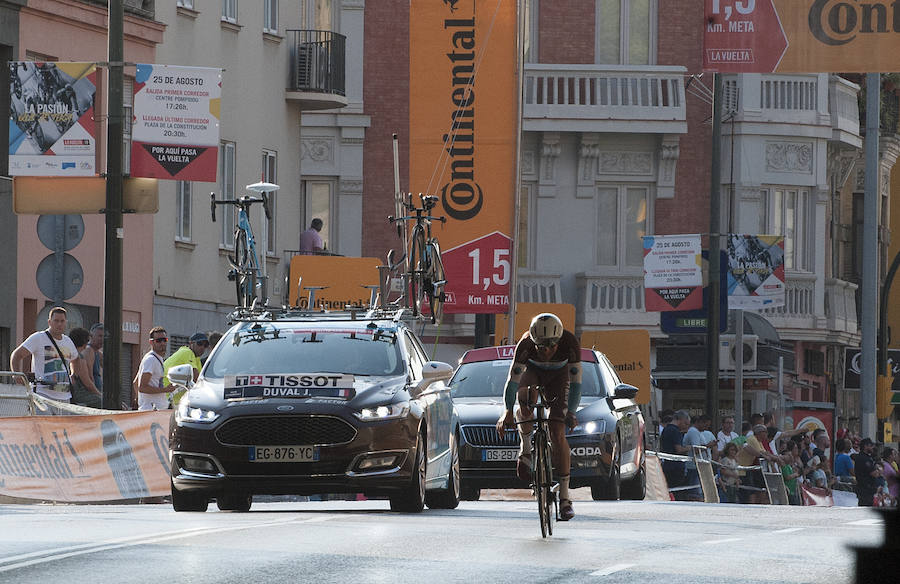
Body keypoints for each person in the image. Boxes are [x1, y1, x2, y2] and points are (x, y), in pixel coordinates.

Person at [495, 313, 582, 521]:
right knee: (524, 396)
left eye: (552, 346)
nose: (547, 351)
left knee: (557, 432)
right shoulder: (525, 345)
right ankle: (525, 449)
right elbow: (512, 381)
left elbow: (576, 383)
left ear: (559, 341)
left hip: (559, 378)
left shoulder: (570, 343)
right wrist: (507, 412)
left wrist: (571, 412)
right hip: (532, 372)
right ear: (534, 342)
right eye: (541, 347)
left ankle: (565, 498)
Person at [9, 306, 78, 402]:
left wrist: (73, 373)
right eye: (56, 321)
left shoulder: (68, 341)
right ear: (49, 322)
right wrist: (16, 375)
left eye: (62, 321)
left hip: (64, 396)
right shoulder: (38, 338)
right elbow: (17, 355)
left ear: (66, 322)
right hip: (42, 395)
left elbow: (75, 359)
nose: (59, 324)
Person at [163, 333, 209, 405]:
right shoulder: (187, 352)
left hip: (178, 400)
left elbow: (201, 379)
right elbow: (196, 378)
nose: (202, 347)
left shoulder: (196, 359)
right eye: (199, 344)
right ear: (191, 343)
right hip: (168, 399)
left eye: (205, 345)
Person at [134, 327, 169, 411]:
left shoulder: (155, 358)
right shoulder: (151, 360)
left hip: (154, 409)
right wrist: (166, 389)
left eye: (164, 340)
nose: (162, 343)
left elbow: (135, 382)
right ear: (151, 342)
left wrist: (140, 401)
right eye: (158, 341)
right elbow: (142, 387)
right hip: (152, 411)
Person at [67, 327, 102, 408]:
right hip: (79, 395)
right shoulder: (79, 358)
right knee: (104, 403)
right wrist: (100, 395)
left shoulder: (67, 355)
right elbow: (88, 384)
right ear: (84, 342)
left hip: (69, 393)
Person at [660, 410, 691, 492]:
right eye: (686, 424)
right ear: (680, 420)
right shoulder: (675, 431)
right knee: (678, 491)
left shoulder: (666, 429)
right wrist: (689, 448)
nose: (686, 427)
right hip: (676, 467)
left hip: (667, 464)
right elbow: (679, 449)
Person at [855, 438, 880, 507]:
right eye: (871, 445)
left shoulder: (867, 458)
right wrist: (878, 471)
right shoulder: (864, 459)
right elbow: (874, 473)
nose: (873, 447)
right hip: (865, 490)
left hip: (868, 490)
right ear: (865, 446)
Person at [82, 322, 103, 394]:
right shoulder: (89, 350)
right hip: (93, 393)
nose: (102, 339)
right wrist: (99, 395)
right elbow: (89, 378)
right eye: (100, 336)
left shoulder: (98, 352)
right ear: (91, 336)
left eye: (104, 336)